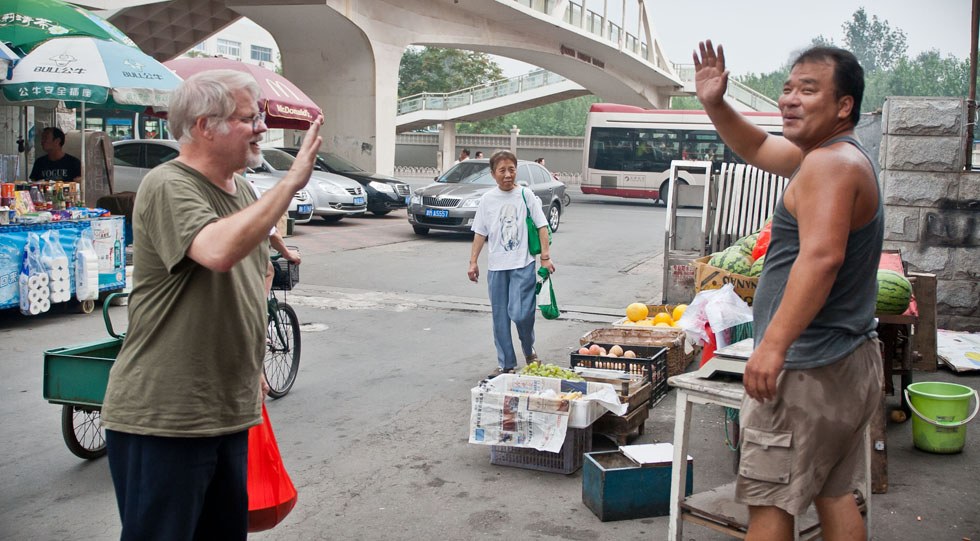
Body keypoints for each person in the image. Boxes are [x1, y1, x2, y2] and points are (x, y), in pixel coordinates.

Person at [100, 69, 323, 540]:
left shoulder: (240, 188)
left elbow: (253, 275)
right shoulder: (168, 185)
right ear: (205, 125)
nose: (262, 127)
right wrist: (290, 185)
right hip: (167, 416)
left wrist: (255, 362)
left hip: (228, 408)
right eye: (249, 117)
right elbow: (217, 252)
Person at [694, 41, 883, 540]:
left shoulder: (829, 166)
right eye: (787, 88)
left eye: (808, 89)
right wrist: (716, 103)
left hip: (807, 371)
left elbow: (822, 258)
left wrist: (773, 346)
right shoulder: (829, 157)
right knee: (834, 493)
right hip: (846, 360)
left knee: (771, 504)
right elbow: (757, 147)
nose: (789, 99)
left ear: (844, 106)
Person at [467, 150, 556, 377]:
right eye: (502, 170)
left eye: (511, 169)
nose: (508, 175)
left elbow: (542, 227)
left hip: (522, 264)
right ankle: (506, 363)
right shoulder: (487, 200)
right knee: (500, 317)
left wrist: (545, 257)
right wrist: (473, 262)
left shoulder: (526, 195)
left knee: (520, 314)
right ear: (493, 173)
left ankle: (528, 349)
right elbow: (480, 232)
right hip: (497, 267)